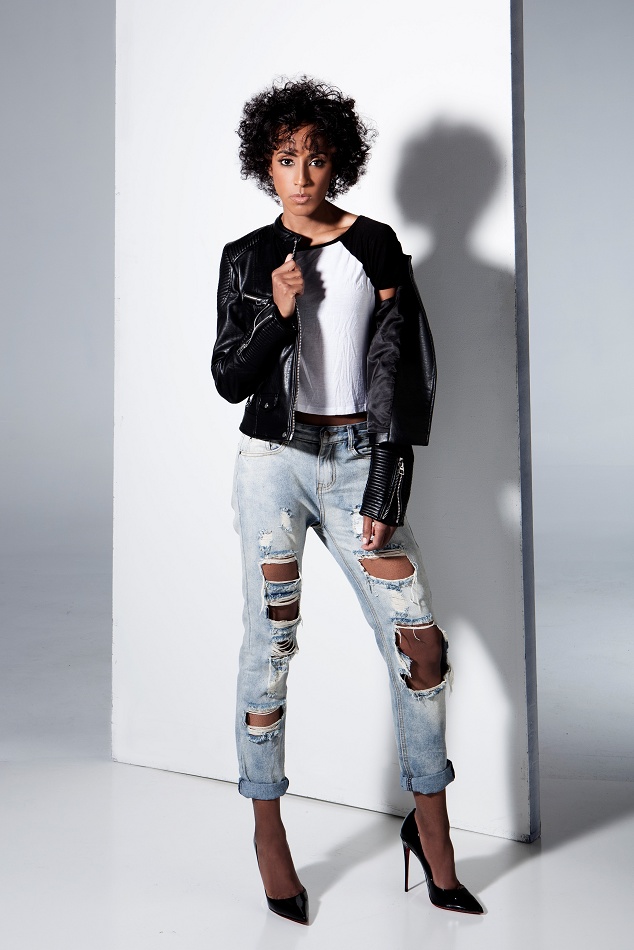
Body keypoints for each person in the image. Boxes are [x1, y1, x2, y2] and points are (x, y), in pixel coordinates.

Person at [212, 77, 483, 924]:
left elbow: (408, 367)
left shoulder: (376, 245)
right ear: (265, 165)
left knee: (420, 646)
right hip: (272, 465)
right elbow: (228, 379)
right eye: (285, 158)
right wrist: (276, 313)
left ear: (339, 163)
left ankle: (432, 832)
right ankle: (268, 831)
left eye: (316, 158)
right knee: (270, 644)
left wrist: (388, 478)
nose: (301, 175)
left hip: (358, 461)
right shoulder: (247, 256)